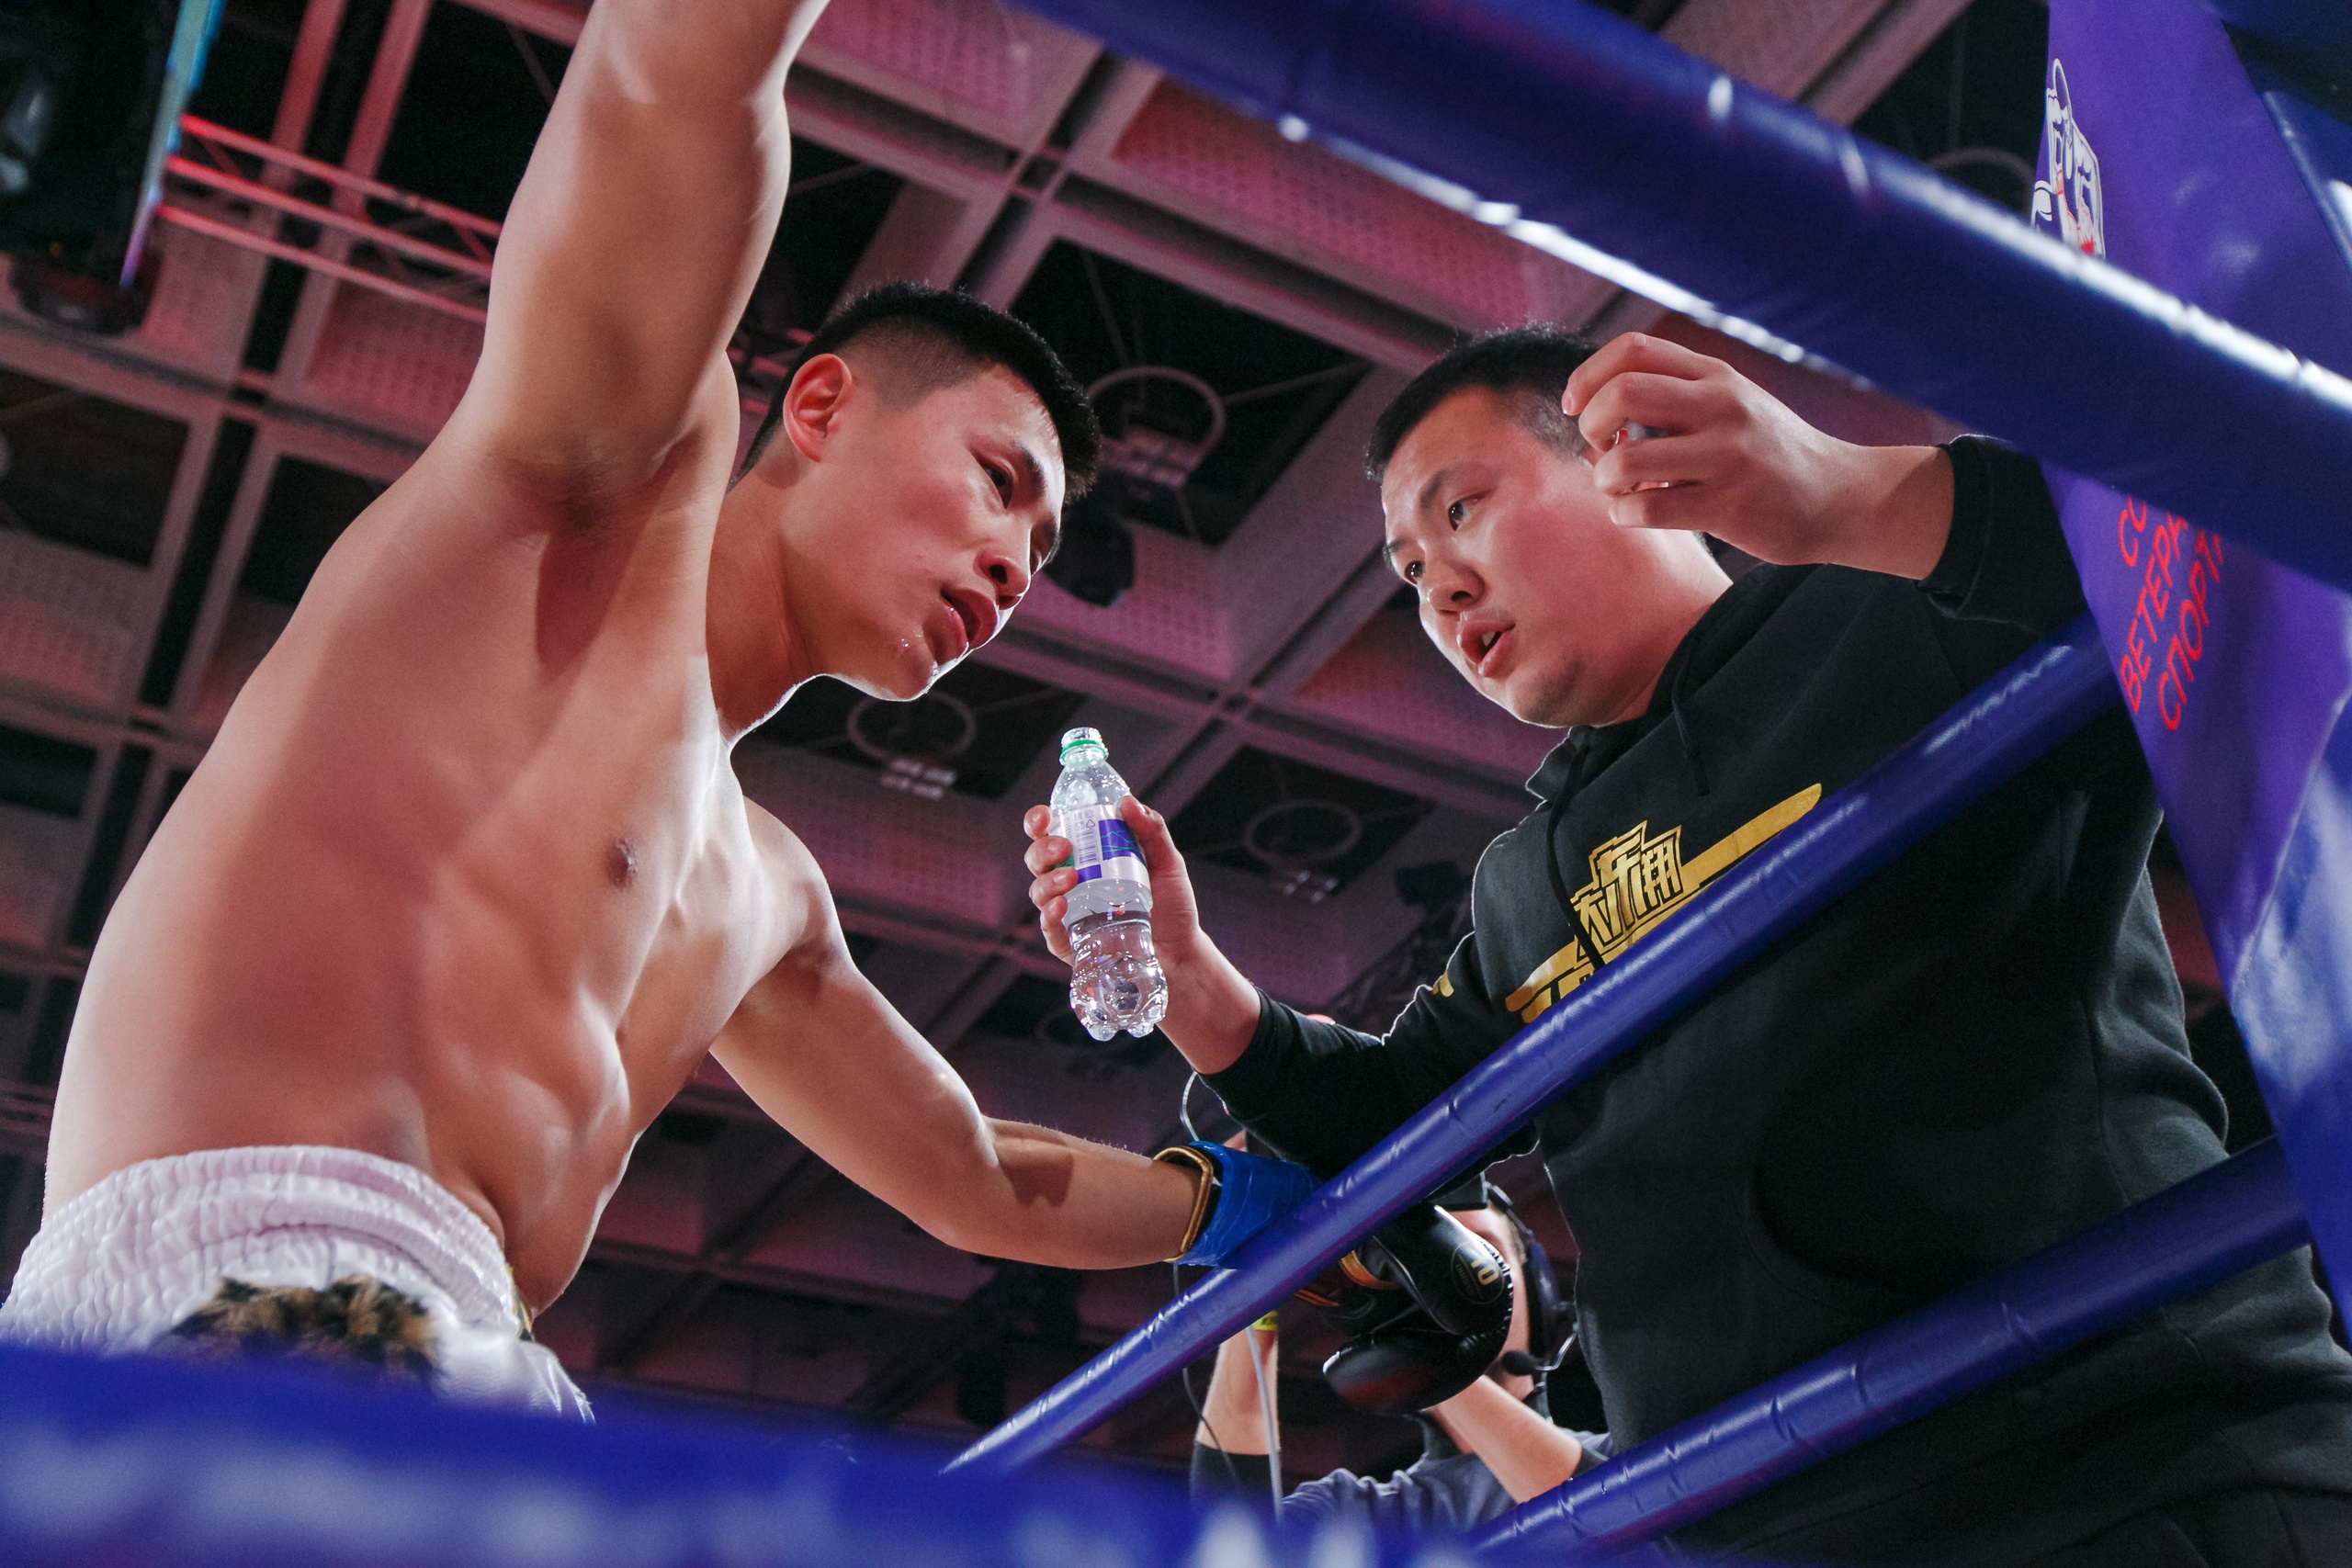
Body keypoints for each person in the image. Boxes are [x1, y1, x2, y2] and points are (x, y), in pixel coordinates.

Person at [1, 0, 1305, 1414]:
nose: (1013, 564)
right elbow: (670, 74)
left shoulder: (767, 889)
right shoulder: (587, 504)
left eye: (1042, 555)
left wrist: (1254, 1211)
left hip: (471, 1344)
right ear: (821, 408)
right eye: (999, 483)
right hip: (230, 1283)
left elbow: (978, 1176)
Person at [1025, 327, 2352, 1561]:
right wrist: (1186, 977)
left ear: (1616, 462)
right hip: (1772, 1526)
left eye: (1462, 509)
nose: (1441, 587)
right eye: (1411, 572)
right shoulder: (1527, 880)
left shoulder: (1894, 611)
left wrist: (1845, 489)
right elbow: (1386, 1125)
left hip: (2126, 1462)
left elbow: (2209, 548)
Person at [1192, 1191, 1608, 1534]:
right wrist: (1252, 1284)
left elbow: (1616, 1530)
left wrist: (1426, 1353)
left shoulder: (1623, 1449)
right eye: (1419, 1271)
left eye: (1481, 1257)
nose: (1444, 1286)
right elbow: (1229, 1542)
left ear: (1537, 1291)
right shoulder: (1359, 1515)